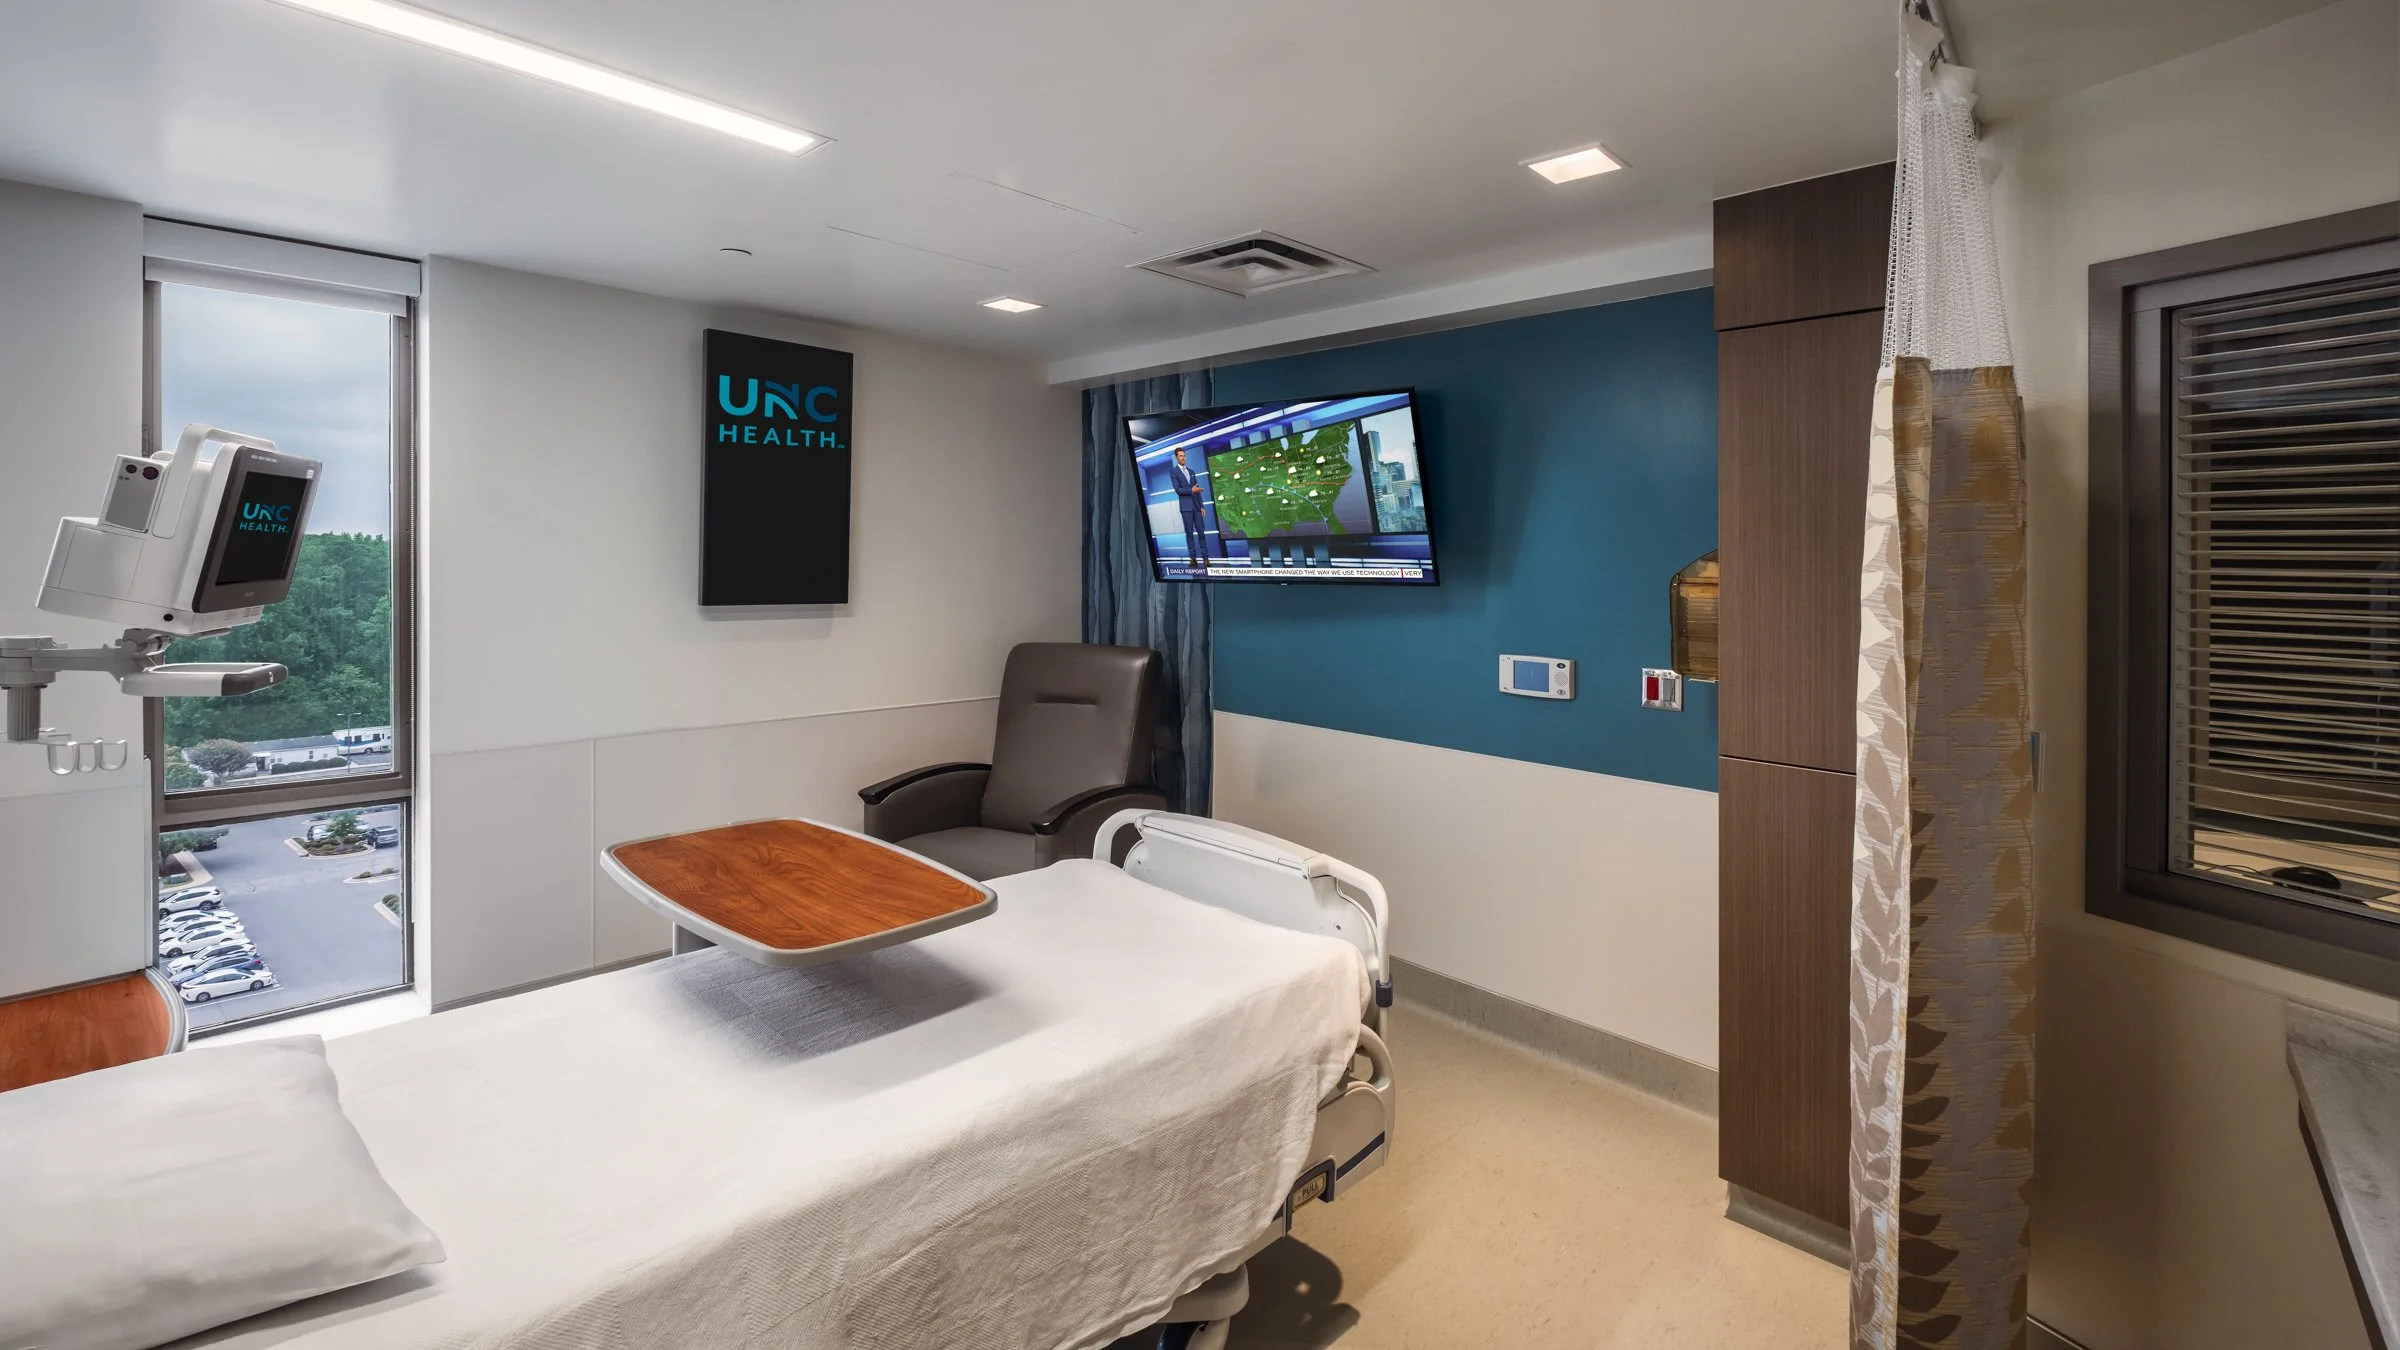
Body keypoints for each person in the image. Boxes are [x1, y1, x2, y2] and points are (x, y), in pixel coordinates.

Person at [1168, 446, 1211, 567]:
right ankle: (1193, 559)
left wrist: (1201, 506)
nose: (1183, 458)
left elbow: (1197, 490)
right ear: (1176, 457)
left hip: (1197, 507)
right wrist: (1191, 490)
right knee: (1189, 534)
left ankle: (1205, 558)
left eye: (1184, 456)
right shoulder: (1174, 472)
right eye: (1180, 456)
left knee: (1201, 533)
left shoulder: (1191, 472)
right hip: (1186, 507)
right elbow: (1178, 490)